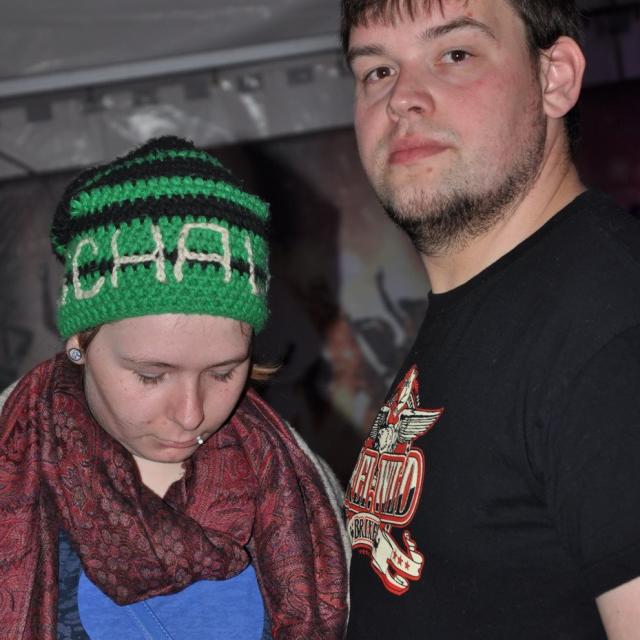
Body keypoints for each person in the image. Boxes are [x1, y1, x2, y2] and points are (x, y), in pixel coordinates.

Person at [340, 0, 640, 637]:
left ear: (554, 77)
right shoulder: (494, 308)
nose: (403, 99)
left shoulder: (611, 331)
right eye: (377, 71)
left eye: (455, 54)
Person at [0, 136, 349, 640]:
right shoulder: (13, 469)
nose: (190, 414)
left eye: (224, 373)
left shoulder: (300, 483)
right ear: (80, 342)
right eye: (150, 375)